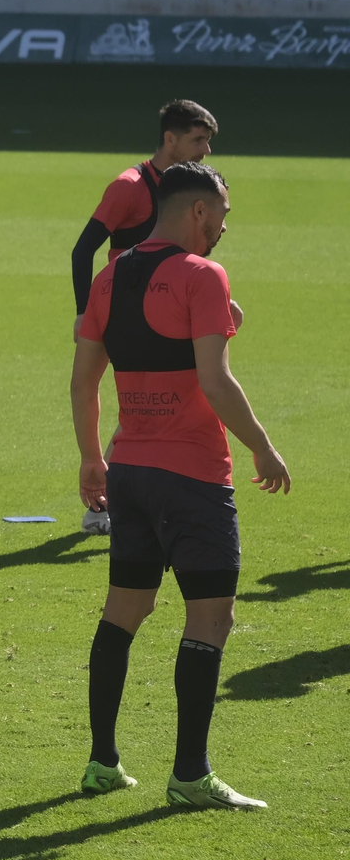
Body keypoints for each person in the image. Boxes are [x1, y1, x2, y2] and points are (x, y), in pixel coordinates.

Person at [70, 161, 288, 811]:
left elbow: (83, 381)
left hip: (130, 472)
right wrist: (262, 446)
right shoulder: (202, 275)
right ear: (198, 211)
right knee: (211, 616)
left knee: (124, 610)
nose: (223, 227)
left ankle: (102, 762)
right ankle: (190, 773)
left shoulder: (110, 276)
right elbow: (214, 380)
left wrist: (91, 459)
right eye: (222, 214)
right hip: (192, 475)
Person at [70, 100, 227, 536]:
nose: (206, 150)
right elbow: (83, 249)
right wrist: (83, 313)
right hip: (123, 308)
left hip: (168, 303)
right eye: (198, 139)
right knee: (141, 403)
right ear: (170, 138)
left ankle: (110, 499)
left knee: (146, 406)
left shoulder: (187, 192)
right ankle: (106, 500)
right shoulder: (130, 186)